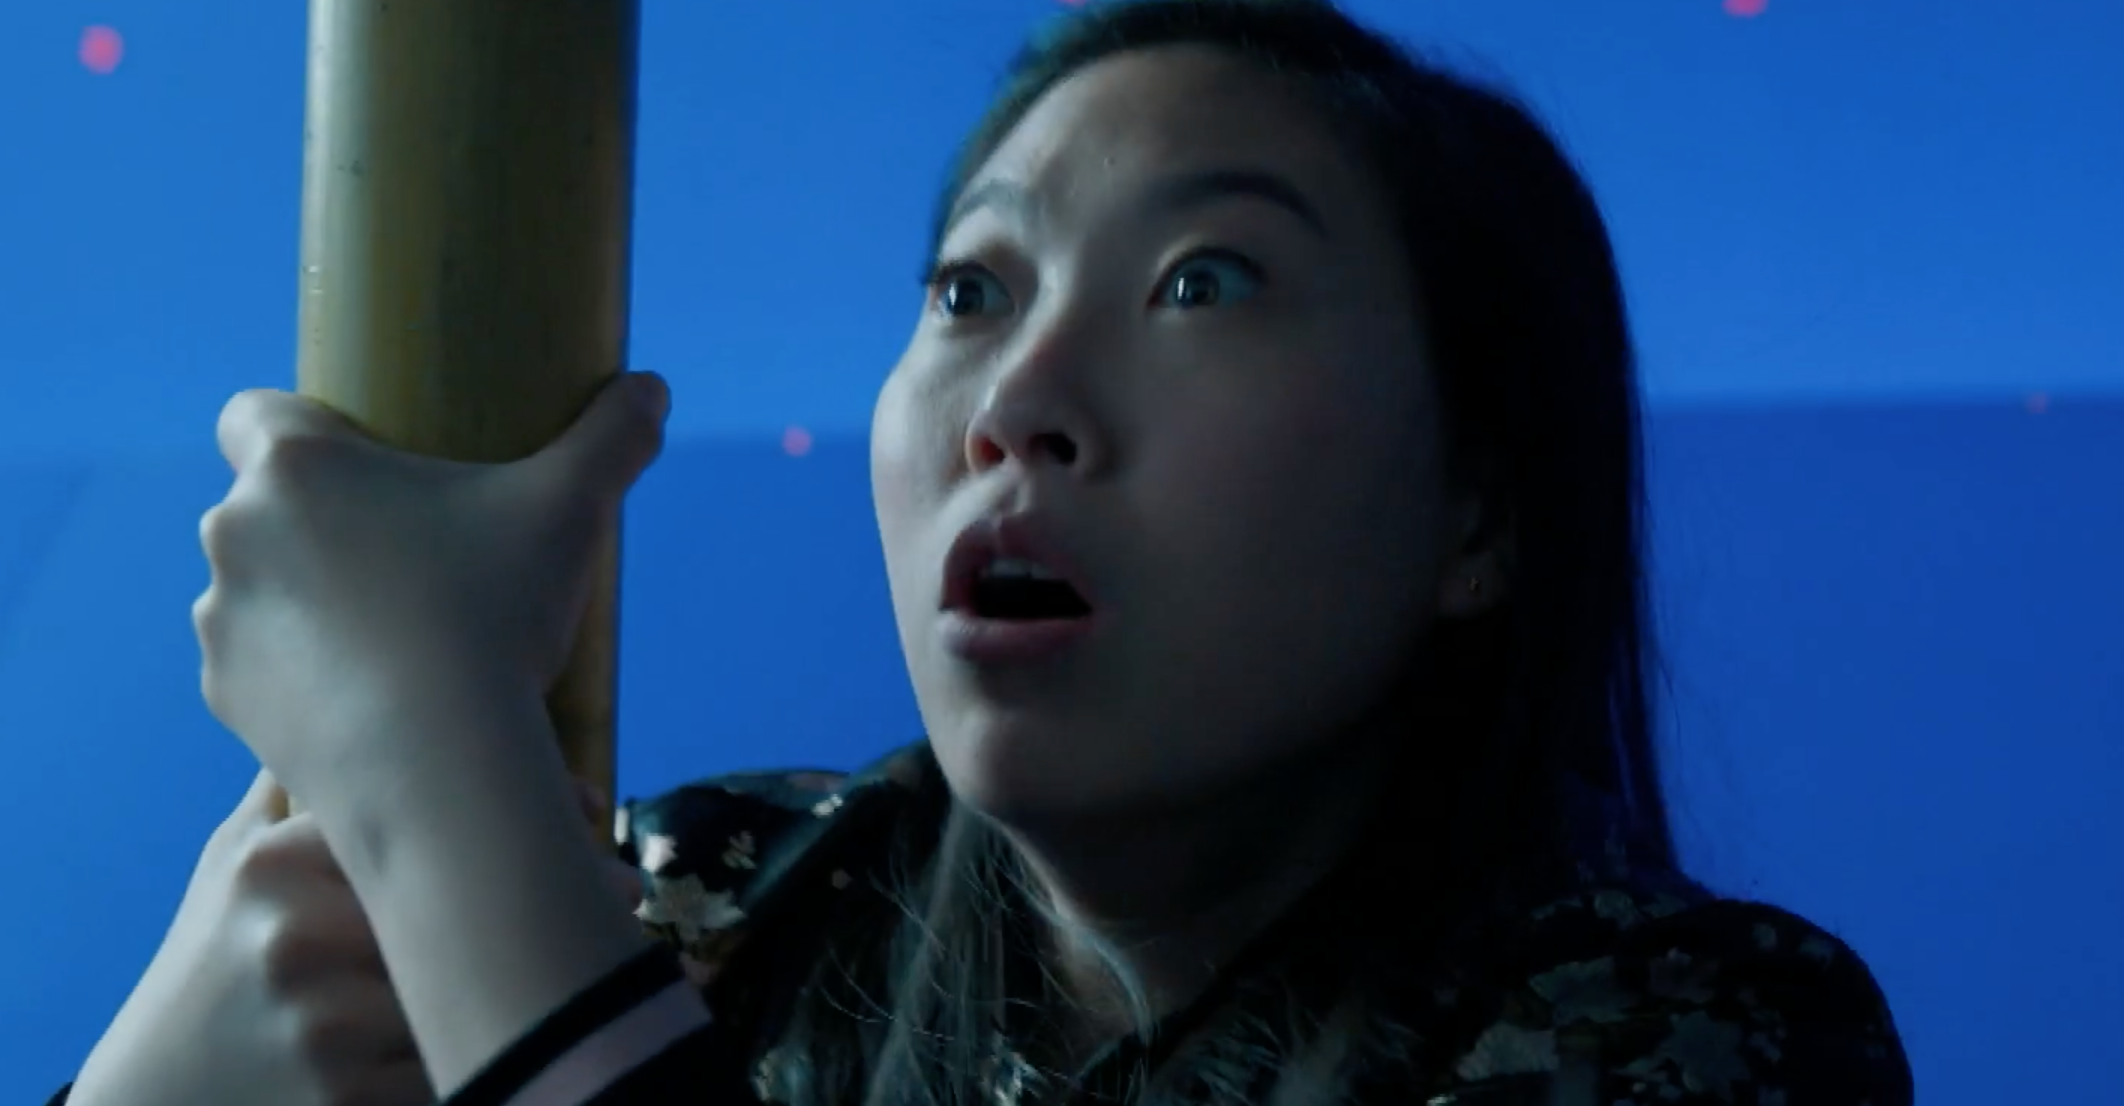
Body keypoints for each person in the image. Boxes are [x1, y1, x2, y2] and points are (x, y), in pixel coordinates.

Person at [47, 1, 1915, 1104]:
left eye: (1204, 282)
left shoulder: (1702, 1033)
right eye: (971, 290)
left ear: (1476, 514)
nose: (1018, 400)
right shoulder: (699, 900)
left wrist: (435, 768)